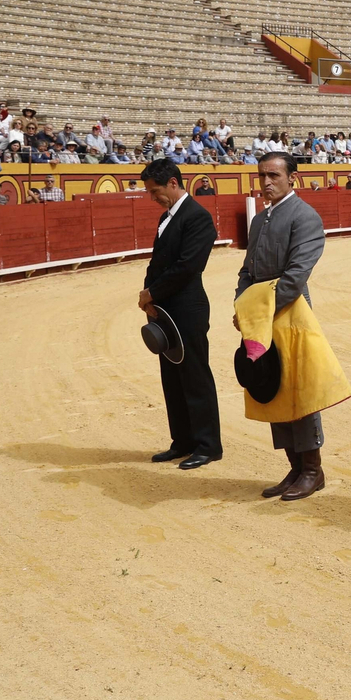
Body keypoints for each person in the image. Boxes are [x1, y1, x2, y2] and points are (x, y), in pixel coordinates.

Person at [236, 153, 333, 501]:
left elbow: (294, 277)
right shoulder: (259, 219)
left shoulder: (305, 217)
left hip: (292, 313)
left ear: (293, 178)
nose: (266, 182)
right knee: (271, 383)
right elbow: (247, 272)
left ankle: (312, 469)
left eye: (274, 175)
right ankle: (295, 467)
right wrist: (241, 306)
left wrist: (257, 311)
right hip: (262, 314)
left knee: (299, 388)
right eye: (262, 175)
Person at [138, 159, 223, 470]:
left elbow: (188, 266)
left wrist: (153, 293)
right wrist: (148, 296)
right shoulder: (167, 217)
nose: (152, 197)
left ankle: (208, 445)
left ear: (173, 183)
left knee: (195, 376)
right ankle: (183, 441)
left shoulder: (197, 217)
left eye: (155, 190)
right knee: (172, 378)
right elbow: (157, 263)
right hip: (164, 308)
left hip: (187, 308)